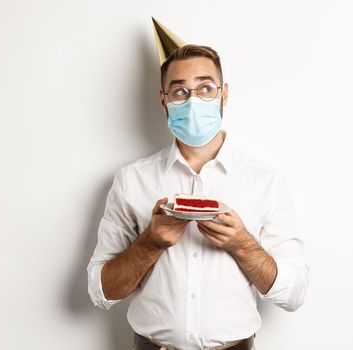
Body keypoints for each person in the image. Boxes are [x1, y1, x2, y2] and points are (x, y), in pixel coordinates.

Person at [86, 18, 308, 350]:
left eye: (205, 88)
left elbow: (294, 294)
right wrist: (150, 242)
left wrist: (242, 244)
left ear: (224, 94)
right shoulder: (132, 180)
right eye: (180, 91)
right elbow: (100, 291)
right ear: (163, 102)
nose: (193, 101)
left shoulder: (266, 182)